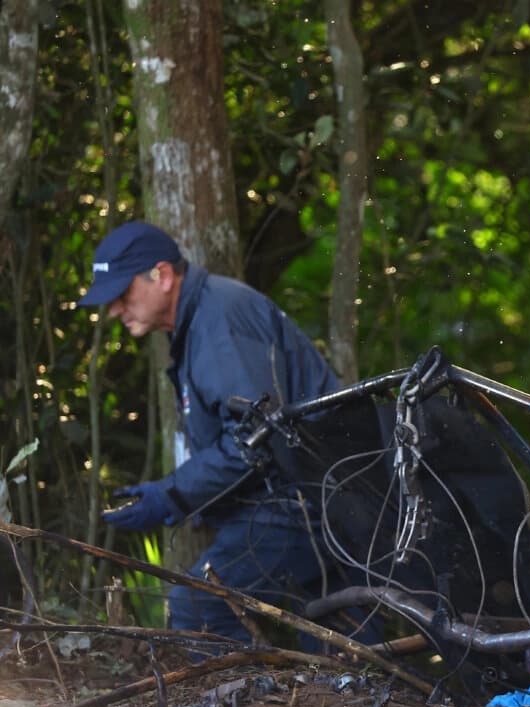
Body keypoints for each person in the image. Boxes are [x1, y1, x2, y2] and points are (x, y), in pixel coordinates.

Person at [78, 220, 373, 646]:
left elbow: (256, 438)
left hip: (305, 502)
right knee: (345, 651)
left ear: (160, 276)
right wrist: (170, 496)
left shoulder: (219, 318)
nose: (114, 310)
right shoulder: (200, 321)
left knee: (199, 609)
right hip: (320, 499)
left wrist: (172, 495)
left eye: (121, 295)